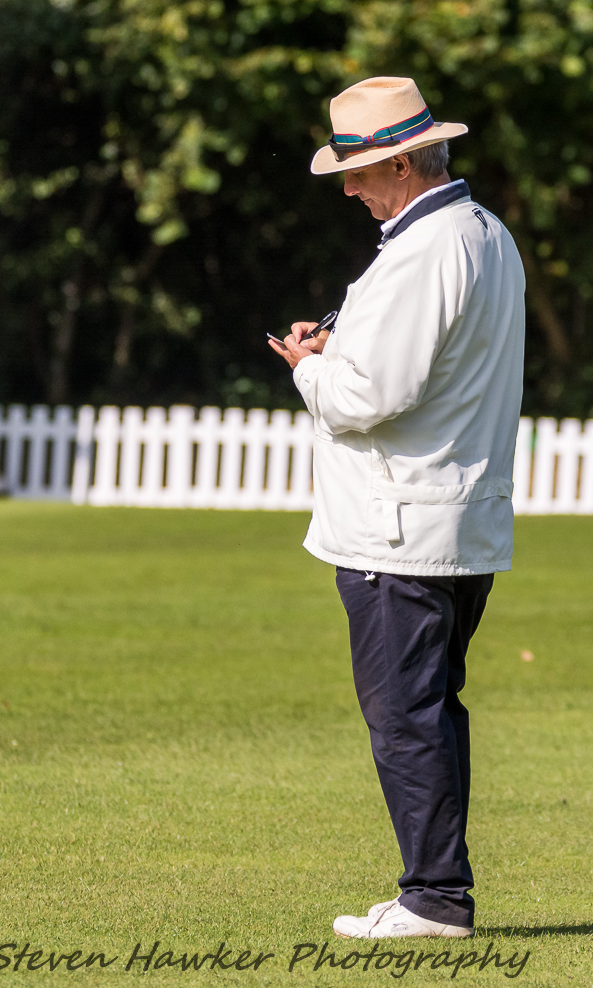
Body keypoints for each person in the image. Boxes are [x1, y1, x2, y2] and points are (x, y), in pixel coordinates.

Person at [269, 76, 525, 939]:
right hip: (455, 517)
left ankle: (435, 898)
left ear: (409, 160)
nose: (348, 187)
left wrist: (309, 368)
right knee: (430, 708)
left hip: (398, 527)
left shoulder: (423, 251)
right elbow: (427, 368)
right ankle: (433, 888)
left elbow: (366, 397)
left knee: (406, 717)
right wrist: (341, 350)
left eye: (363, 169)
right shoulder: (486, 233)